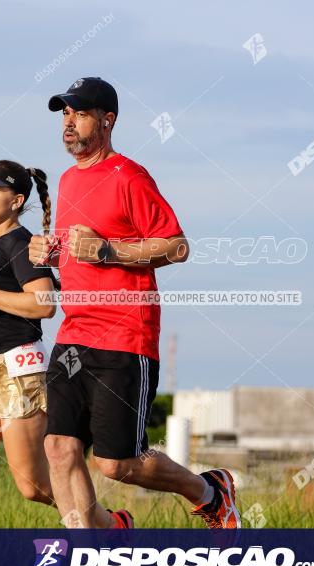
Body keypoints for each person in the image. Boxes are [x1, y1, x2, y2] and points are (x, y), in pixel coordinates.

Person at [31, 77, 240, 529]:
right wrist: (51, 253)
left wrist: (110, 251)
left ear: (107, 121)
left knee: (117, 464)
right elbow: (77, 248)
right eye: (64, 114)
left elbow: (176, 246)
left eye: (80, 113)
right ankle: (91, 554)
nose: (69, 123)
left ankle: (210, 492)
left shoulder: (130, 176)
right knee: (58, 449)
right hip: (74, 332)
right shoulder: (68, 180)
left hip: (124, 334)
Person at [0, 159, 131, 529]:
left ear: (16, 201)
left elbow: (44, 304)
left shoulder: (23, 244)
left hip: (20, 369)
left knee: (34, 486)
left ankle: (110, 527)